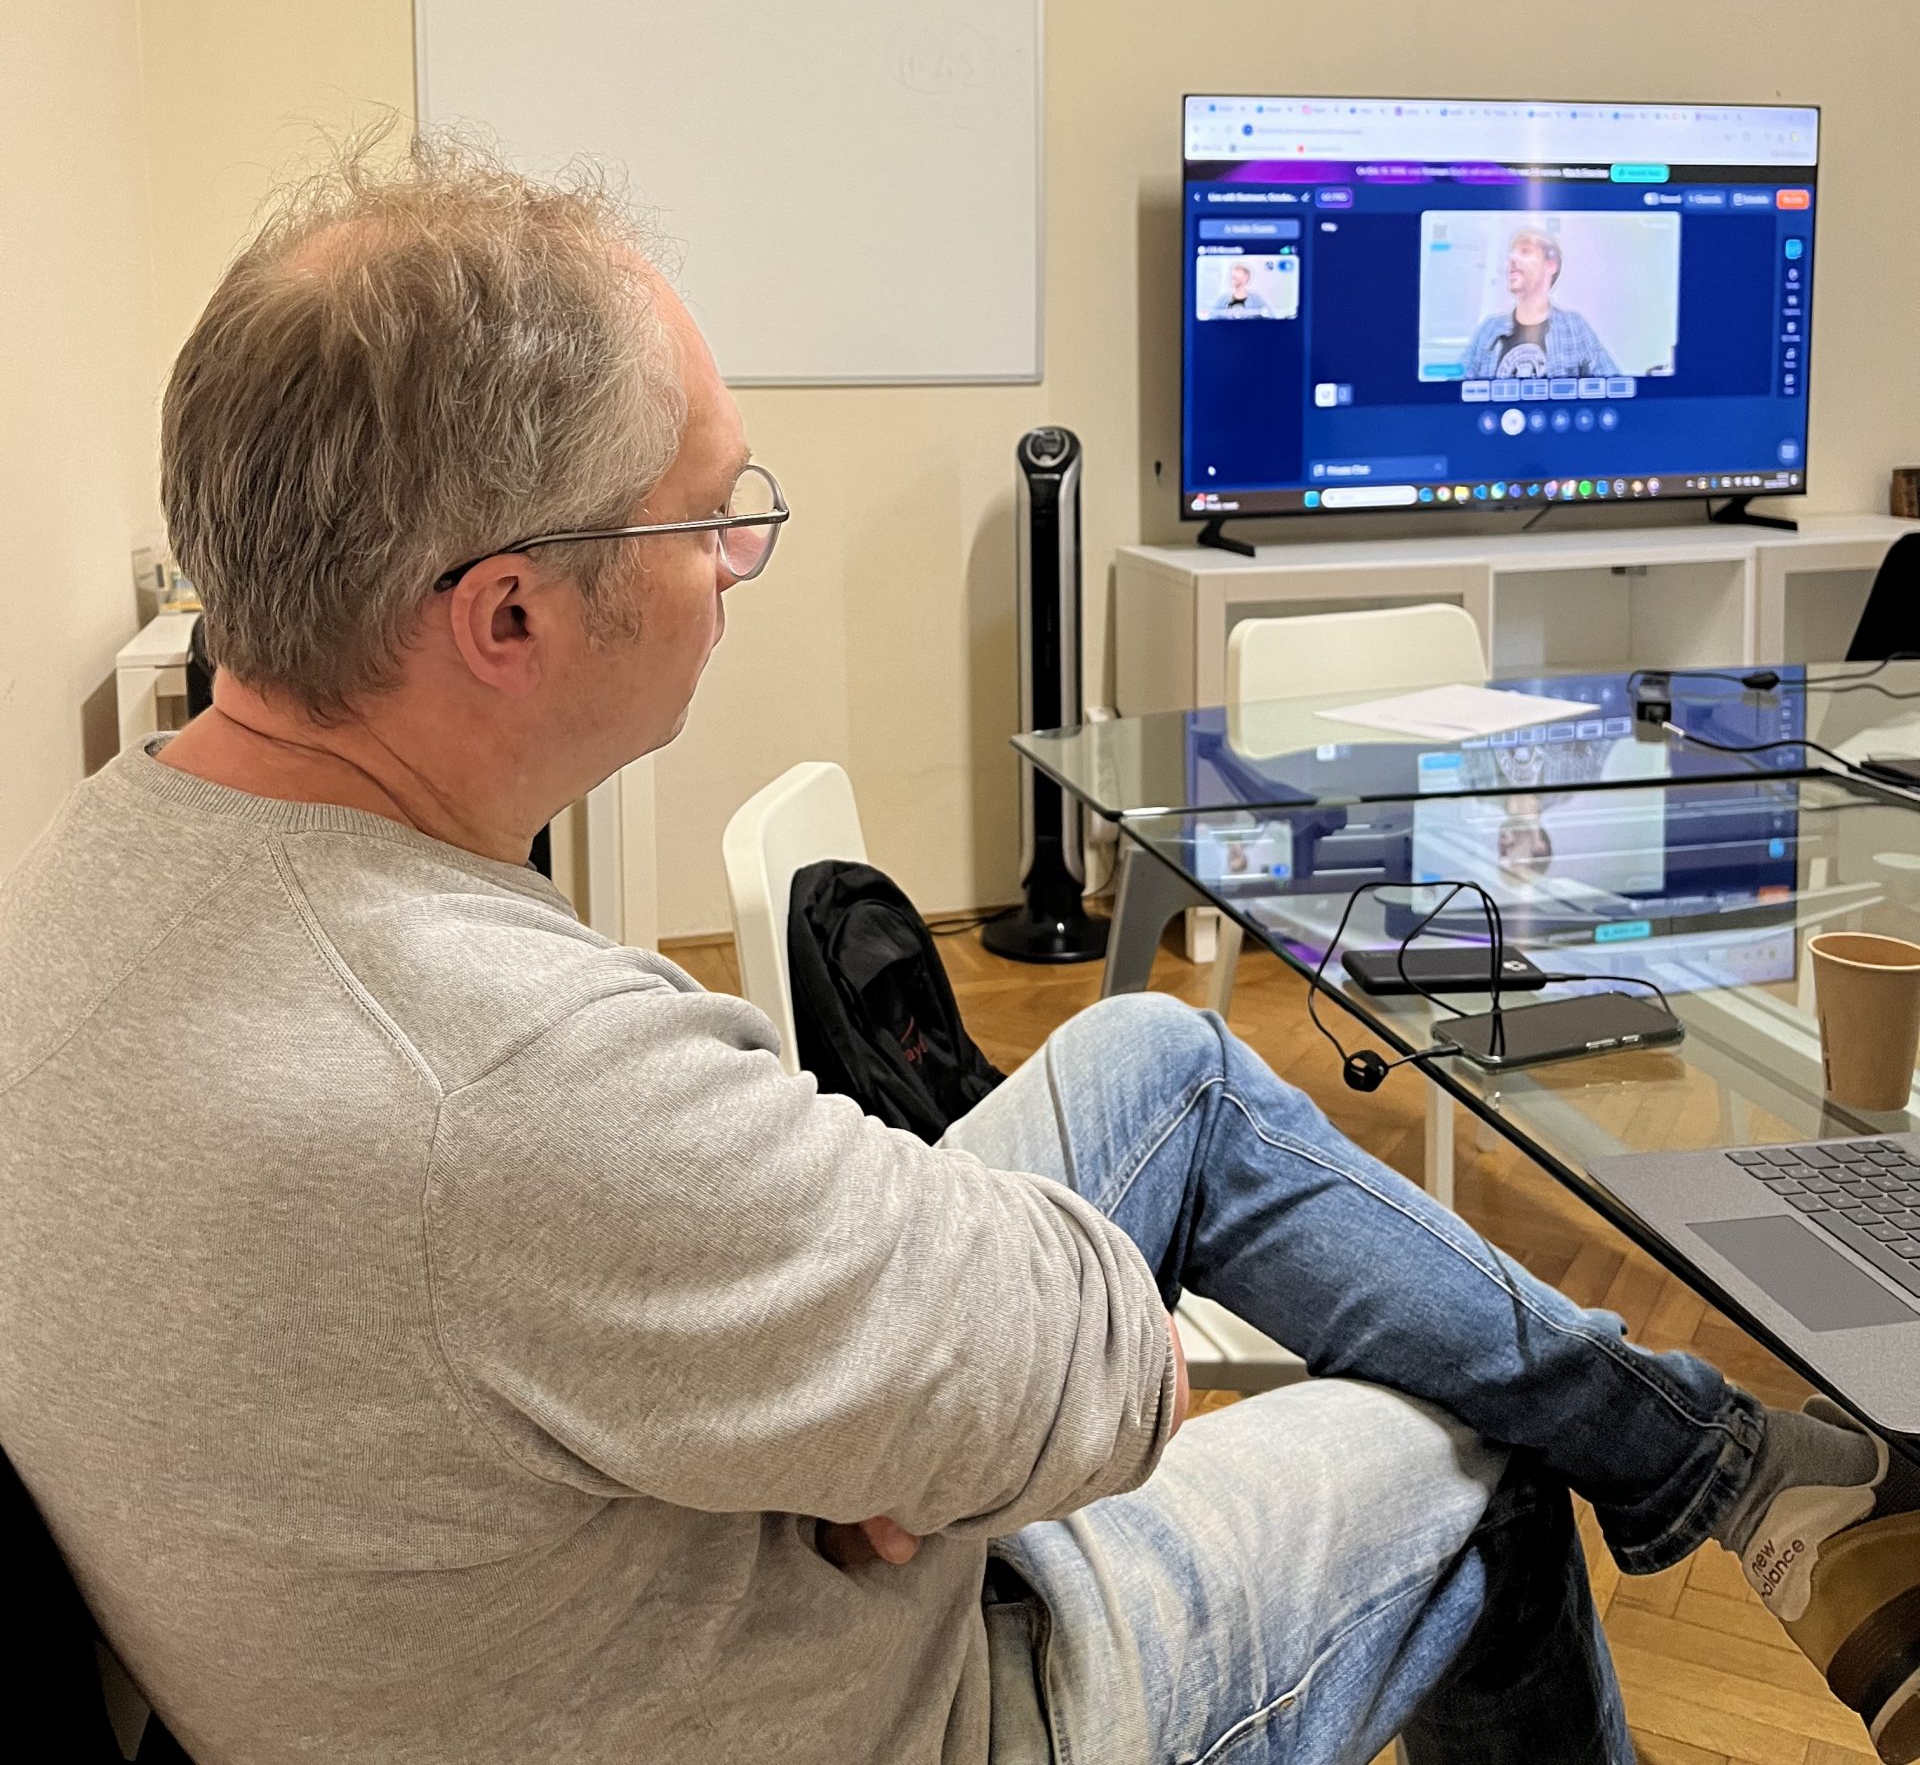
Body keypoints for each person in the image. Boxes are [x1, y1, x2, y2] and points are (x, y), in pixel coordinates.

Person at [1, 143, 1913, 1765]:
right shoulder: (511, 1082)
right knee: (1467, 1456)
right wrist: (930, 1419)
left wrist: (872, 1401)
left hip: (571, 1569)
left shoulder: (103, 861)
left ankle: (1725, 1468)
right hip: (899, 1706)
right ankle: (1702, 1480)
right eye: (714, 519)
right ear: (507, 618)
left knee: (1159, 1066)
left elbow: (601, 1284)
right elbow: (1103, 1391)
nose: (735, 566)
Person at [1463, 225, 1618, 381]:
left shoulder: (1575, 327)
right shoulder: (1488, 329)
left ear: (1551, 265)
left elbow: (1614, 386)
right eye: (1511, 254)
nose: (1512, 259)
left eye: (1525, 251)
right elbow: (1455, 388)